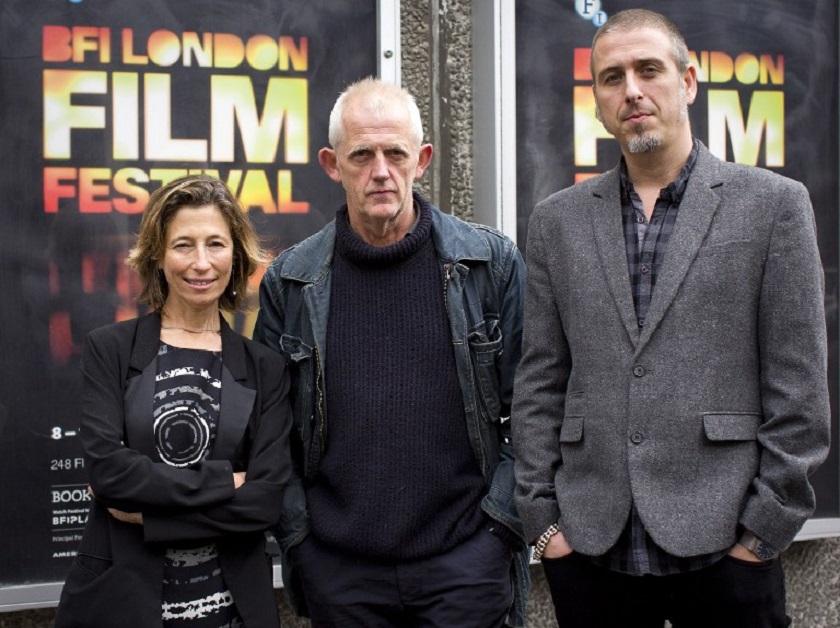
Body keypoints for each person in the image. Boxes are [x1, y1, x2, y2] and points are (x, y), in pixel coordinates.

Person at [513, 9, 830, 628]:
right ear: (598, 101)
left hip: (727, 552)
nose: (631, 90)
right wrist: (544, 526)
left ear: (687, 82)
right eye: (611, 77)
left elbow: (800, 395)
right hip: (592, 552)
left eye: (648, 70)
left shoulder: (774, 207)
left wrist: (760, 537)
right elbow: (539, 384)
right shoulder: (558, 221)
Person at [254, 77, 530, 627]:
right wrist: (301, 542)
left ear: (422, 159)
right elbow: (269, 434)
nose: (381, 171)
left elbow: (535, 410)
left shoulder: (490, 265)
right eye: (362, 155)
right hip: (341, 572)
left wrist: (500, 530)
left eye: (395, 153)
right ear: (332, 164)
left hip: (465, 565)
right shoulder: (290, 281)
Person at [54, 174, 293, 628]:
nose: (201, 263)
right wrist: (226, 481)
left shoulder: (266, 367)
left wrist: (149, 517)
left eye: (216, 244)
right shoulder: (110, 349)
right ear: (157, 255)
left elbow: (264, 502)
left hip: (232, 611)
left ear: (237, 255)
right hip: (119, 606)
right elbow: (110, 474)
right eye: (184, 244)